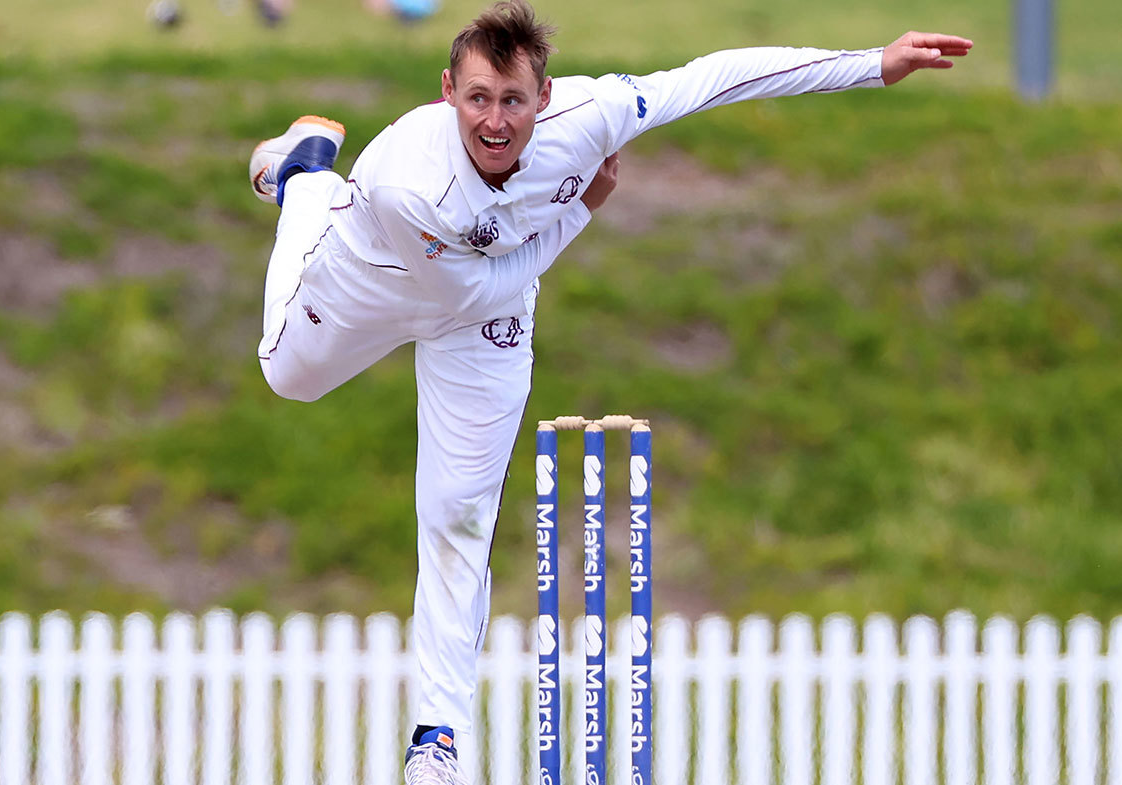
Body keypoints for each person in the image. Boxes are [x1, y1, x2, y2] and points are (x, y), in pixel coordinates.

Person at [246, 2, 971, 782]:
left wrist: (872, 62)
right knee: (289, 377)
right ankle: (306, 176)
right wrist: (579, 215)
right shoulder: (406, 179)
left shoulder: (594, 114)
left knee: (458, 512)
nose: (496, 122)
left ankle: (438, 740)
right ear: (448, 90)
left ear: (546, 97)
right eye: (480, 99)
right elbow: (478, 286)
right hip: (380, 274)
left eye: (514, 101)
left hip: (490, 311)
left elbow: (713, 79)